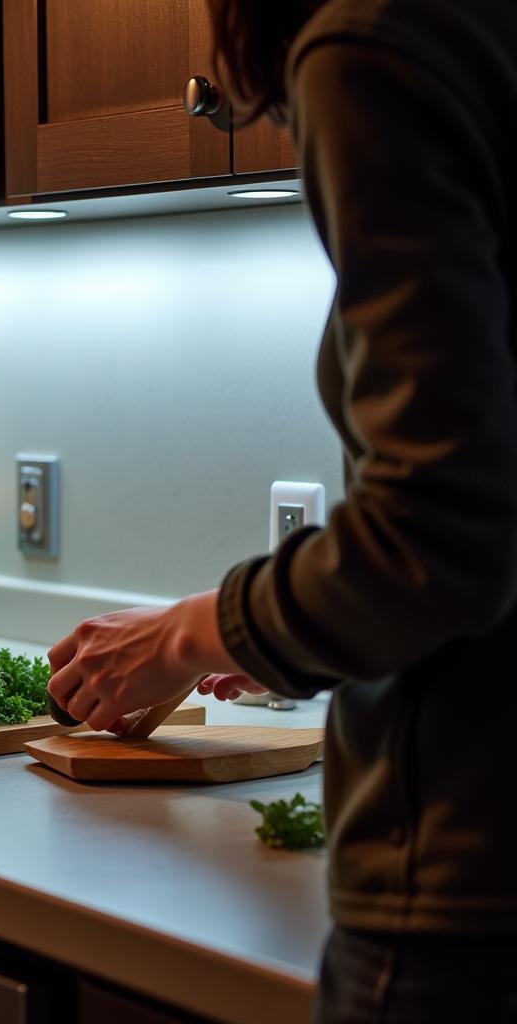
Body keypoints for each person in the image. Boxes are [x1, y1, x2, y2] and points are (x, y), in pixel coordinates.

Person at [46, 0, 517, 1019]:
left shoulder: (376, 40)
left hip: (468, 881)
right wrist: (268, 628)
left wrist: (189, 628)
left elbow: (434, 538)